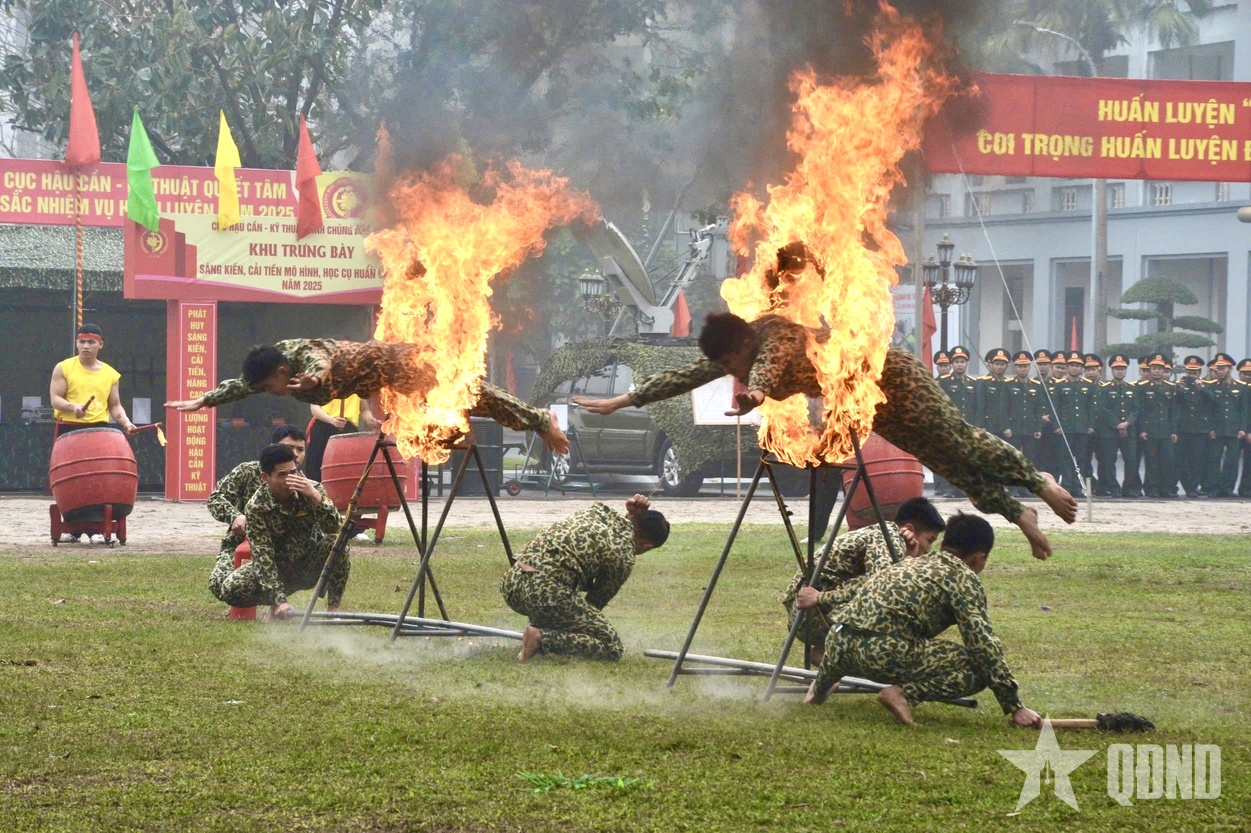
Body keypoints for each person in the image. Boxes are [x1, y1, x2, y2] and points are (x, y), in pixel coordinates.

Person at [574, 312, 1077, 560]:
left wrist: (757, 394)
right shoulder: (737, 350)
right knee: (948, 463)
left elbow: (767, 368)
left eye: (733, 363)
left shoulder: (775, 337)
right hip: (864, 404)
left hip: (888, 376)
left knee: (960, 441)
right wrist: (621, 400)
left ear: (744, 342)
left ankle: (1038, 481)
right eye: (726, 368)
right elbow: (684, 376)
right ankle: (1018, 512)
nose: (733, 372)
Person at [803, 512, 1044, 729]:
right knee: (979, 667)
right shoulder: (962, 578)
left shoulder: (910, 562)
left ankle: (817, 693)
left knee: (857, 644)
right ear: (978, 558)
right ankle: (903, 694)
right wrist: (1015, 706)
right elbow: (982, 645)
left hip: (836, 643)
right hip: (879, 654)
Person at [164, 338, 569, 455]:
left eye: (272, 386)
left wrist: (315, 379)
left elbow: (319, 358)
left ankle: (539, 419)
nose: (270, 393)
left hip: (405, 365)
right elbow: (240, 385)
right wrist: (204, 400)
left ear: (284, 373)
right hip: (390, 386)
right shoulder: (268, 366)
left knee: (476, 395)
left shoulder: (302, 356)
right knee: (454, 415)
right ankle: (524, 422)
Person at [500, 495, 669, 662]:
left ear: (632, 517)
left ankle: (540, 626)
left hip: (512, 585)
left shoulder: (596, 512)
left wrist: (631, 514)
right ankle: (540, 638)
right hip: (542, 596)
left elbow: (614, 533)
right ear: (647, 546)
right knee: (612, 646)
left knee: (562, 595)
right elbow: (594, 603)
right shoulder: (624, 555)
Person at [782, 497, 946, 659]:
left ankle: (831, 653)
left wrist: (908, 558)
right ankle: (835, 654)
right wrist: (821, 598)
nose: (929, 550)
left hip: (805, 614)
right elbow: (881, 586)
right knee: (890, 597)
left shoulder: (885, 534)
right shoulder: (889, 538)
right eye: (929, 540)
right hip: (811, 613)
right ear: (909, 528)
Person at [208, 443, 347, 621]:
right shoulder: (256, 506)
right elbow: (262, 556)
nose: (290, 479)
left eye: (293, 472)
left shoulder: (312, 489)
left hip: (307, 563)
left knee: (337, 542)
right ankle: (277, 603)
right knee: (231, 588)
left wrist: (316, 498)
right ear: (265, 477)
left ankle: (333, 611)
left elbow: (334, 527)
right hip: (278, 565)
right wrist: (279, 599)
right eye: (282, 475)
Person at [207, 425, 308, 570]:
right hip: (242, 544)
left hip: (285, 553)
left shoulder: (305, 484)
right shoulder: (247, 472)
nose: (295, 454)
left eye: (300, 449)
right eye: (289, 447)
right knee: (221, 581)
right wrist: (234, 516)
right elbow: (215, 498)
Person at [49, 323, 139, 436]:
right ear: (77, 343)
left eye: (91, 342)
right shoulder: (63, 368)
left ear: (100, 344)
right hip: (69, 428)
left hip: (99, 428)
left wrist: (126, 423)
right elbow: (55, 399)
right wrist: (74, 407)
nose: (86, 346)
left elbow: (115, 405)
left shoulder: (111, 374)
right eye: (82, 342)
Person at [305, 395, 381, 482]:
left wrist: (371, 420)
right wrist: (332, 420)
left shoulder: (357, 385)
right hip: (324, 425)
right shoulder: (325, 382)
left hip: (348, 429)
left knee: (347, 469)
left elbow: (364, 410)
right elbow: (315, 408)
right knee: (316, 466)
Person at [1096, 354, 1141, 498]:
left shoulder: (1132, 388)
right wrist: (1117, 425)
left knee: (1131, 461)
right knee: (1109, 461)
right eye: (1117, 369)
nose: (1120, 371)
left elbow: (1136, 409)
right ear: (1111, 370)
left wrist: (1127, 423)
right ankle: (1114, 488)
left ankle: (1128, 488)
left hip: (1128, 430)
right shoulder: (1104, 389)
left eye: (1122, 368)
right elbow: (1104, 409)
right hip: (1110, 431)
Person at [1202, 353, 1245, 498]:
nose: (1219, 371)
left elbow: (1243, 410)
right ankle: (1214, 487)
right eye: (1217, 368)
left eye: (1222, 368)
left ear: (1230, 369)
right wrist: (1210, 428)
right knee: (1214, 459)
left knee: (1232, 461)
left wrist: (1243, 428)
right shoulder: (1212, 386)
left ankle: (1227, 488)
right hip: (1217, 428)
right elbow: (1208, 409)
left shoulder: (1241, 387)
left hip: (1233, 429)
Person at [1138, 353, 1178, 498]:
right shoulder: (1142, 388)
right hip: (1150, 430)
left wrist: (1173, 431)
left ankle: (1165, 488)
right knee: (1152, 461)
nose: (1157, 371)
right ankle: (1152, 488)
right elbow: (1141, 411)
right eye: (1154, 368)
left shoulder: (1170, 387)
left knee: (1168, 460)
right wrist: (1142, 430)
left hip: (1166, 430)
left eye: (1160, 368)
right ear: (1149, 370)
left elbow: (1172, 411)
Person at [1175, 355, 1214, 497]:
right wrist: (1180, 389)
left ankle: (1194, 486)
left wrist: (1202, 388)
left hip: (1199, 429)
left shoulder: (1206, 386)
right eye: (1190, 372)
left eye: (1195, 372)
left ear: (1199, 372)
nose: (1192, 375)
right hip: (1183, 428)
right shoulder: (1180, 386)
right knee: (1183, 460)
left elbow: (1213, 401)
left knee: (1198, 460)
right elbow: (1175, 402)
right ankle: (1188, 486)